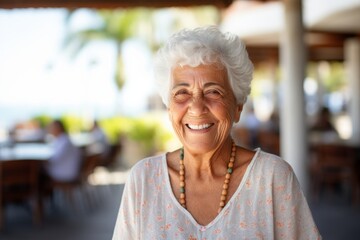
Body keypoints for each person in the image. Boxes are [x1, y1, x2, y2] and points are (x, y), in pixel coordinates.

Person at [112, 26, 321, 239]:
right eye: (181, 93)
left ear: (238, 106)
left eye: (213, 92)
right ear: (169, 109)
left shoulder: (272, 178)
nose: (196, 107)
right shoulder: (143, 180)